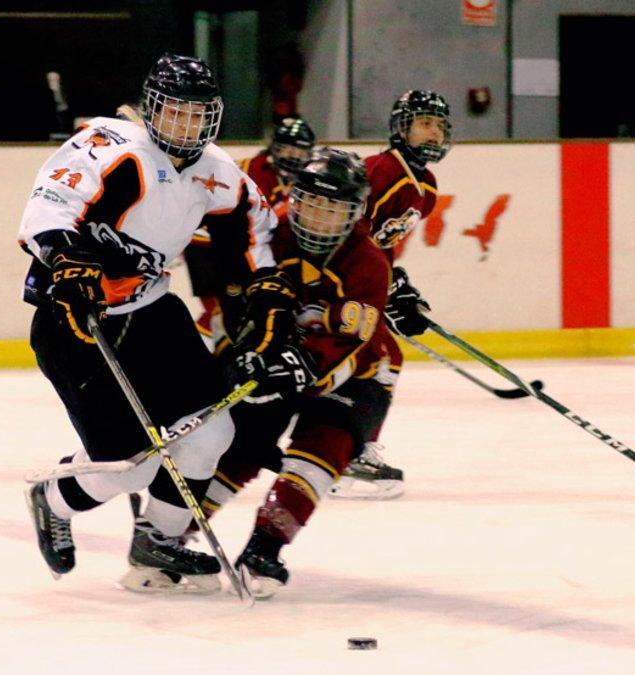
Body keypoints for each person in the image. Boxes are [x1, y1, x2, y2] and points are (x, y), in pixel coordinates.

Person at [19, 54, 287, 594]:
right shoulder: (109, 144)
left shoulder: (216, 171)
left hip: (153, 312)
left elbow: (256, 228)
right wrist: (67, 266)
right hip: (75, 318)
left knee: (213, 431)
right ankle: (51, 501)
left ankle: (157, 541)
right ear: (153, 109)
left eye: (198, 115)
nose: (187, 126)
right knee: (128, 464)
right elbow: (49, 207)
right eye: (176, 113)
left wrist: (266, 293)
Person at [194, 147, 387, 597]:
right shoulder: (266, 232)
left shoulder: (367, 263)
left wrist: (305, 367)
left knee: (323, 447)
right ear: (295, 198)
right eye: (313, 205)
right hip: (271, 354)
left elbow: (351, 343)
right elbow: (226, 300)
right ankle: (167, 532)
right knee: (239, 444)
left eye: (333, 209)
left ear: (355, 212)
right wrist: (240, 354)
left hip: (352, 373)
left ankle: (266, 546)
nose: (319, 220)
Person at [328, 89, 450, 500]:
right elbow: (347, 233)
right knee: (378, 356)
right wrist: (379, 281)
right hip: (332, 281)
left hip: (357, 284)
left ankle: (346, 451)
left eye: (439, 125)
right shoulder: (380, 171)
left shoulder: (426, 188)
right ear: (401, 128)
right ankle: (345, 455)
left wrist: (395, 283)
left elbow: (380, 246)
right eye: (424, 123)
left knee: (382, 356)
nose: (434, 132)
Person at [184, 116, 315, 345]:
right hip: (211, 247)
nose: (292, 157)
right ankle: (200, 356)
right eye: (286, 149)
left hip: (248, 252)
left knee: (239, 311)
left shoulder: (305, 184)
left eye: (299, 152)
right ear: (273, 147)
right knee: (221, 310)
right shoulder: (246, 169)